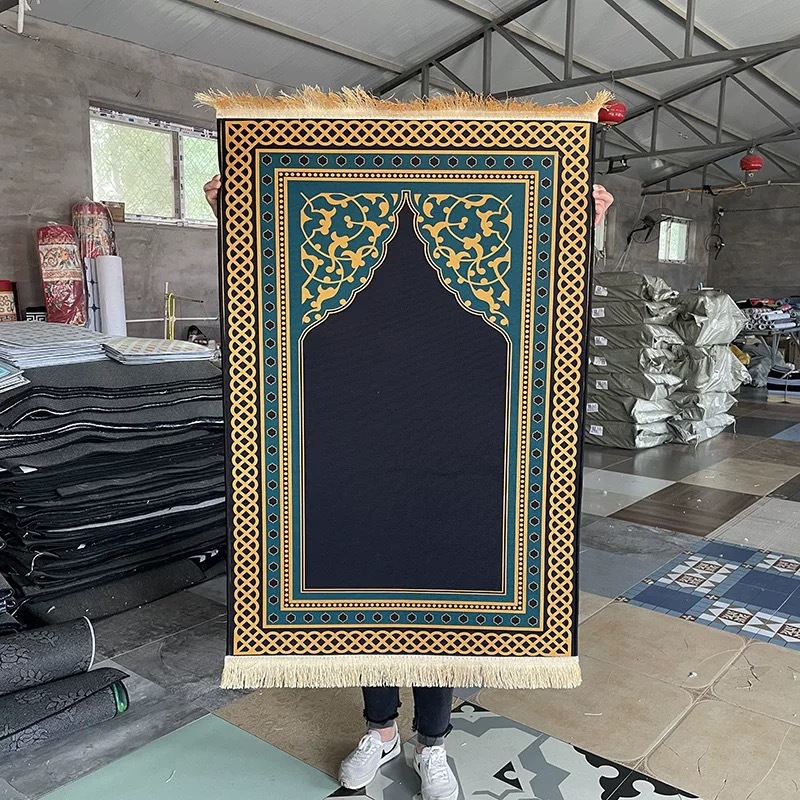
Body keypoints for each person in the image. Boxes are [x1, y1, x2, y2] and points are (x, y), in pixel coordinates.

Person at [204, 175, 613, 800]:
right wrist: (236, 209)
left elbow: (544, 278)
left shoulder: (482, 194)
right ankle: (381, 731)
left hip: (454, 445)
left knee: (442, 587)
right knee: (367, 581)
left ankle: (433, 743)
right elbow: (273, 252)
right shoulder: (344, 192)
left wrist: (579, 224)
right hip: (363, 441)